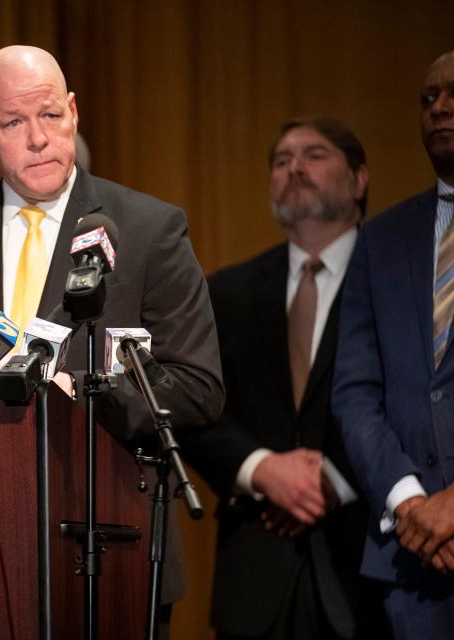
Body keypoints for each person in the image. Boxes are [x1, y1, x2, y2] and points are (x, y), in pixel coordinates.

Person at [0, 45, 224, 627]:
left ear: (73, 111)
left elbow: (197, 388)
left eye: (49, 115)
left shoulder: (148, 228)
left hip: (111, 543)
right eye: (13, 122)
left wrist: (84, 389)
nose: (38, 138)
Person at [180, 116, 388, 640]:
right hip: (255, 573)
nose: (294, 166)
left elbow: (417, 400)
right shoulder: (226, 292)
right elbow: (193, 407)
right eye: (281, 160)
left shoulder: (398, 281)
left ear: (359, 180)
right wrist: (262, 469)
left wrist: (333, 480)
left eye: (315, 154)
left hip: (370, 568)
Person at [333, 50, 454, 638]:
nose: (440, 108)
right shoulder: (381, 237)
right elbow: (354, 395)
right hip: (413, 560)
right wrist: (410, 502)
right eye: (428, 98)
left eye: (453, 93)